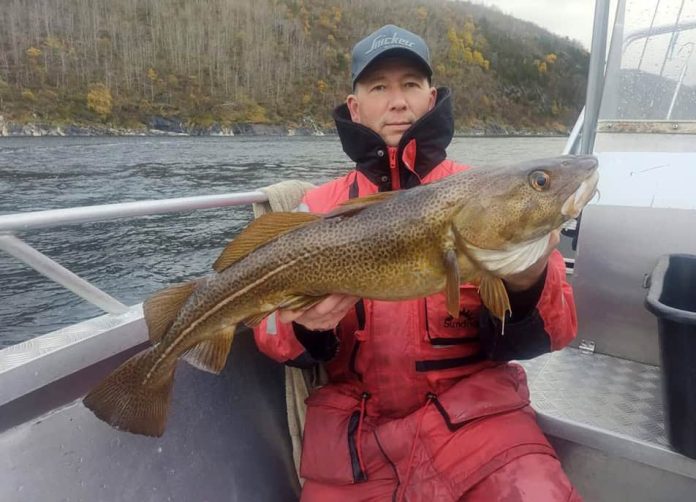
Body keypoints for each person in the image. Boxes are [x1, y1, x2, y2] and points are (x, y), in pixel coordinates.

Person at [254, 24, 581, 502]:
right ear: (355, 106)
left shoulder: (490, 194)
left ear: (431, 97)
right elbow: (268, 330)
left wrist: (528, 282)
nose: (397, 101)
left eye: (410, 84)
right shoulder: (317, 209)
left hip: (478, 426)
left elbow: (554, 332)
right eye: (379, 87)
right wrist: (306, 328)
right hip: (353, 445)